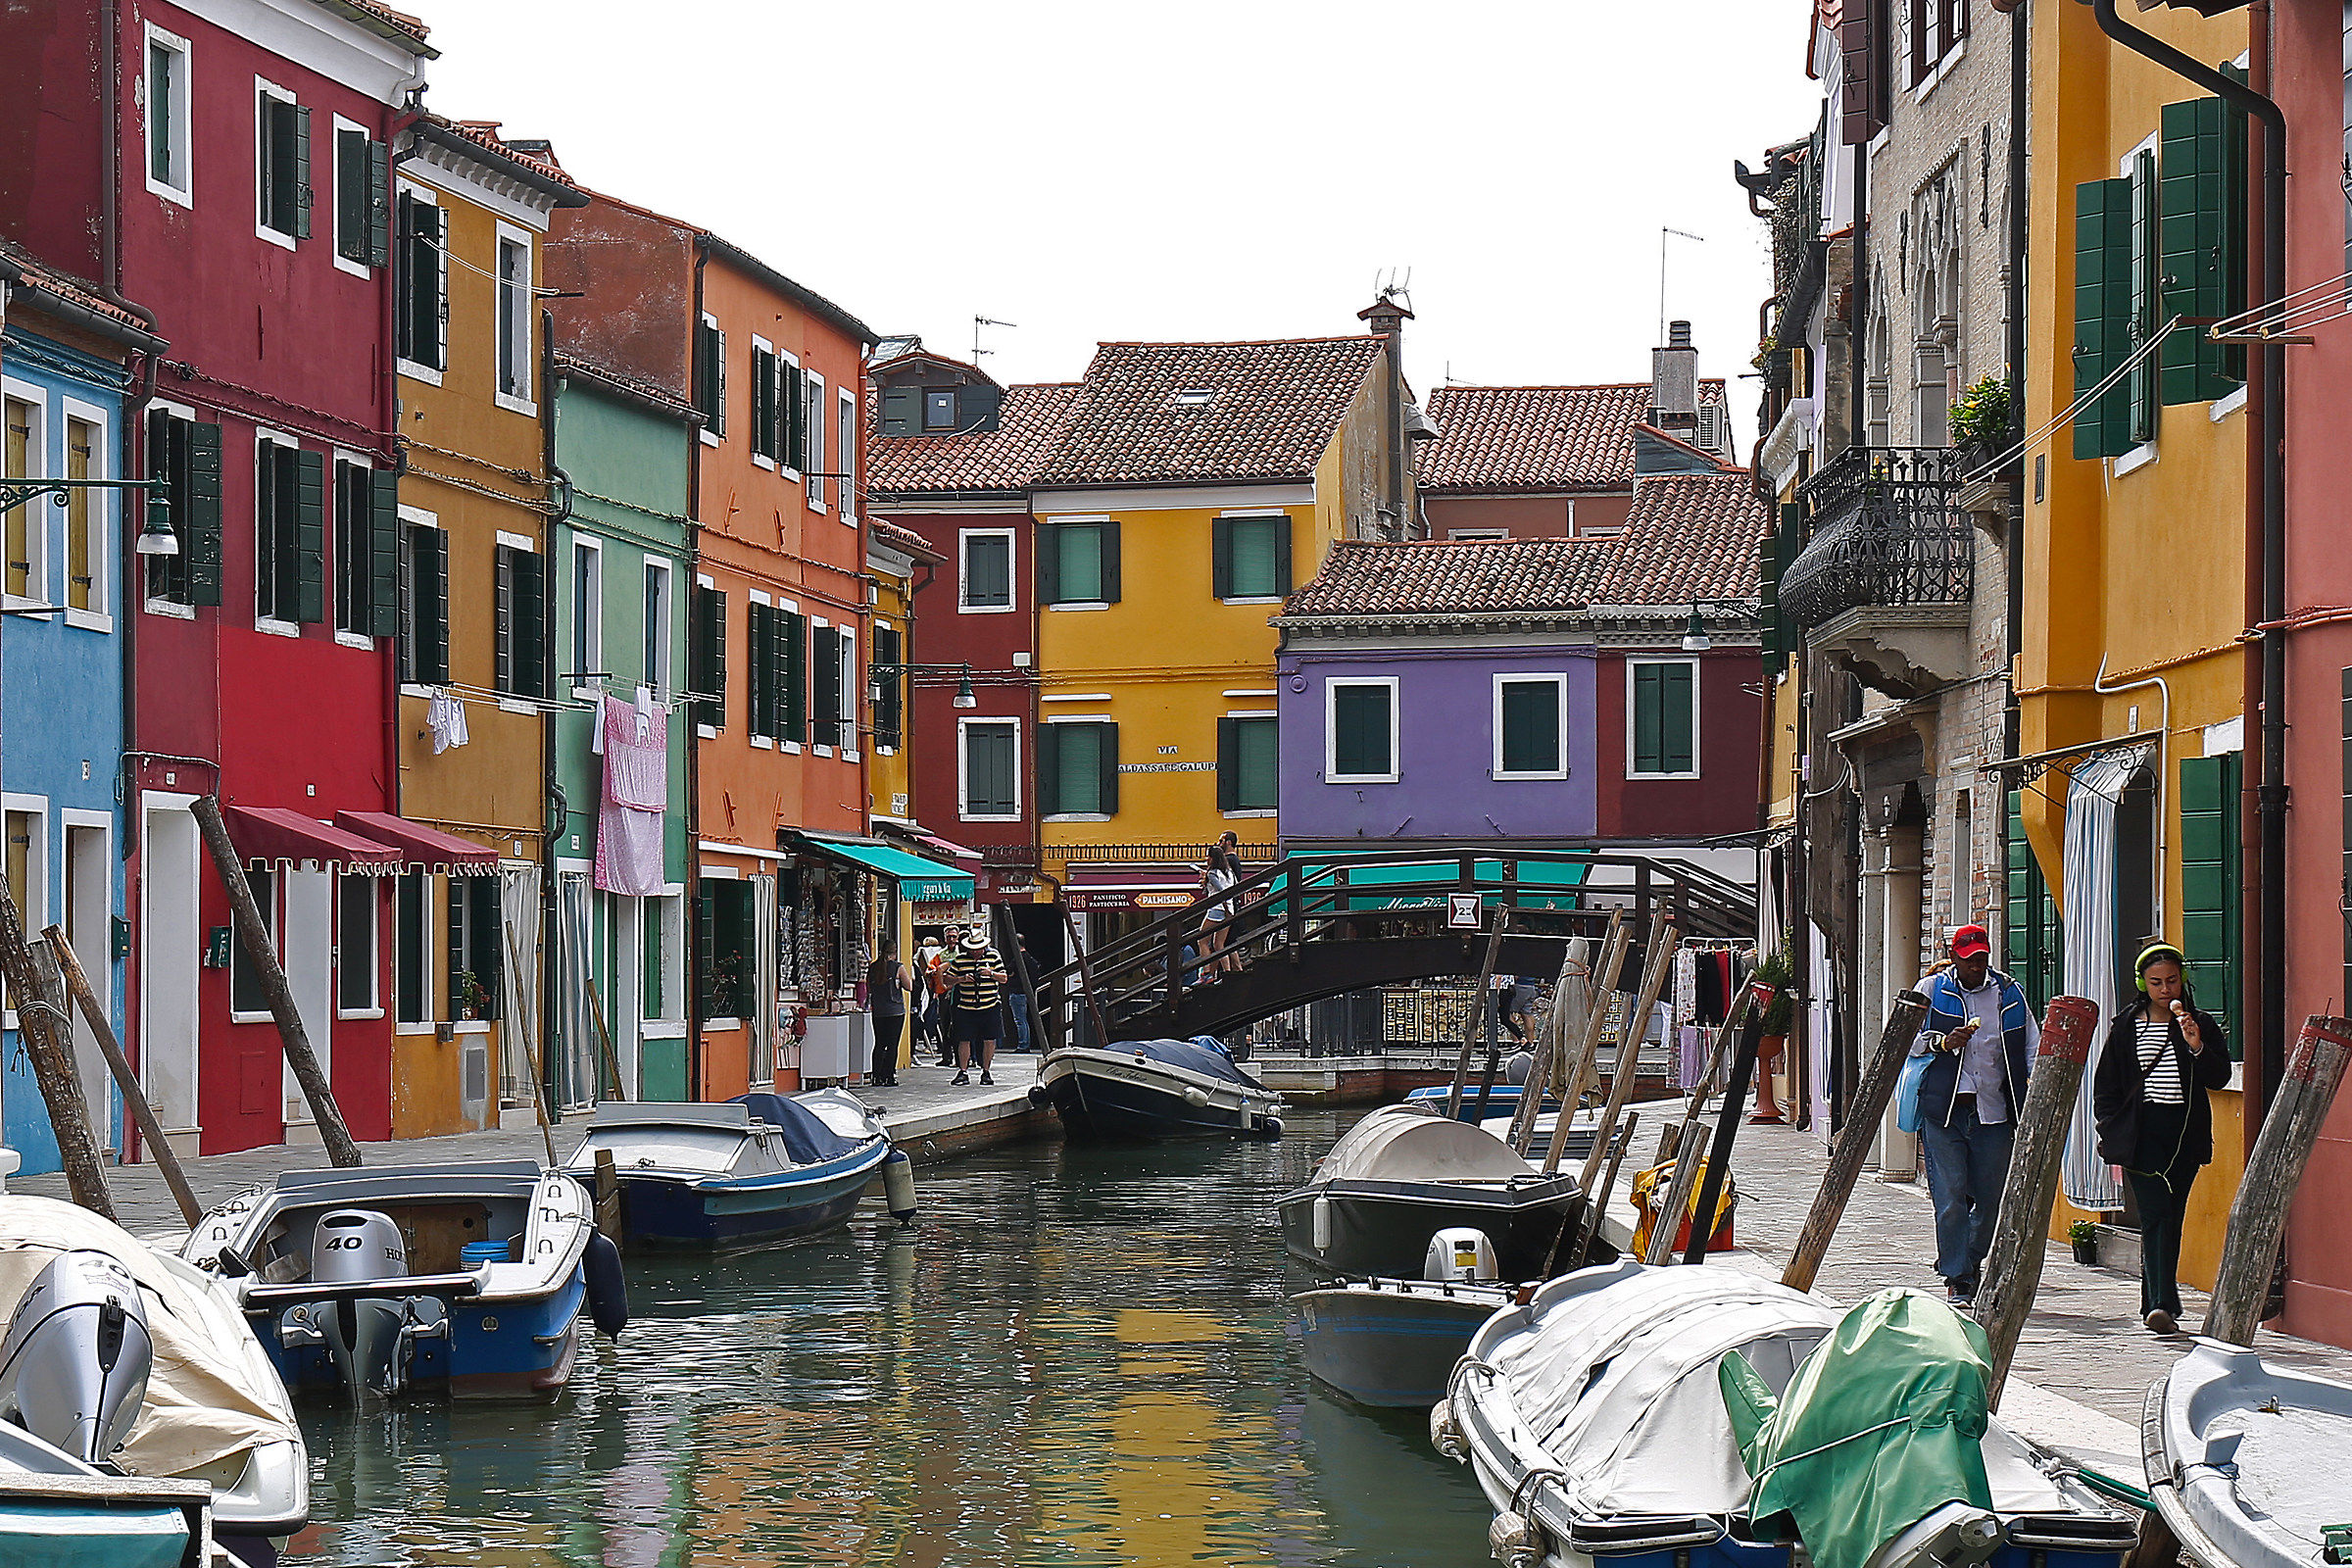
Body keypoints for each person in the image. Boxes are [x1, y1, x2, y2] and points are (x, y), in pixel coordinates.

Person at [2093, 943, 2232, 1335]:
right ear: (2143, 984)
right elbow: (2107, 1085)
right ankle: (2162, 1303)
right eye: (2156, 982)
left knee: (2172, 1217)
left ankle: (2154, 1301)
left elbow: (2218, 1077)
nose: (2165, 989)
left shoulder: (2199, 1022)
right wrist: (2109, 1126)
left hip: (2184, 1133)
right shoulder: (2126, 1026)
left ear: (2182, 980)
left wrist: (2197, 1046)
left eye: (2172, 980)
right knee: (2154, 1215)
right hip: (2141, 1132)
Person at [1910, 922, 2037, 1307]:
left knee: (1990, 1199)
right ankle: (1957, 1277)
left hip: (1994, 1114)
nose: (1976, 967)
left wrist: (2034, 1087)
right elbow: (1905, 1039)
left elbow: (2030, 1044)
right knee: (1949, 1199)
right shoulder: (1932, 991)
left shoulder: (2009, 994)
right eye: (1969, 960)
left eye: (1982, 959)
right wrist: (1942, 1042)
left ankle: (1971, 1260)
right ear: (1954, 958)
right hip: (1946, 1112)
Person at [948, 929, 1008, 1086]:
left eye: (978, 948)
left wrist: (990, 973)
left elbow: (1004, 978)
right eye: (972, 948)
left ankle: (986, 1071)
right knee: (964, 1039)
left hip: (990, 1005)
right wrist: (962, 978)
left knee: (989, 1039)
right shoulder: (960, 959)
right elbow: (947, 979)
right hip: (966, 1007)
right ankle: (963, 1071)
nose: (975, 952)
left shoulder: (994, 957)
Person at [866, 939, 912, 1088]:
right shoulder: (898, 967)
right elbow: (909, 986)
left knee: (879, 1043)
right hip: (895, 1011)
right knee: (892, 1045)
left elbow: (869, 989)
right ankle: (889, 1076)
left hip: (879, 1011)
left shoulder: (873, 968)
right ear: (894, 952)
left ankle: (876, 1076)